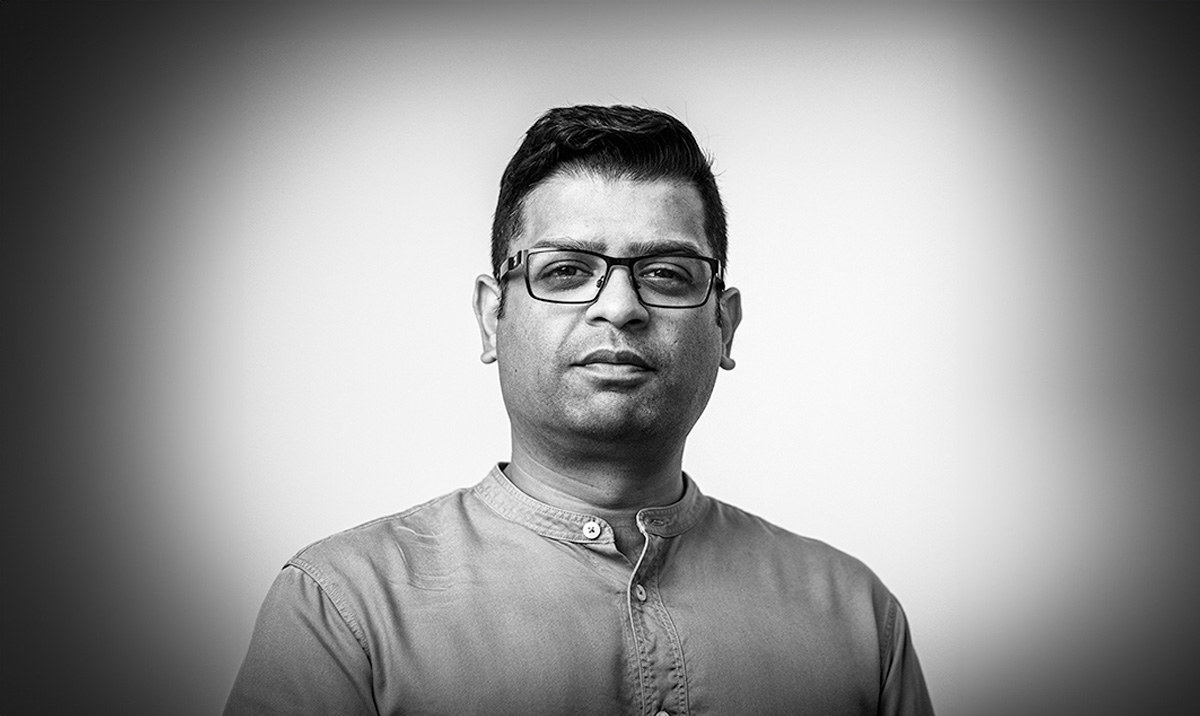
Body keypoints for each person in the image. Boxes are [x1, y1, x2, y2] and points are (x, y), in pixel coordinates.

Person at [225, 104, 935, 716]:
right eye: (567, 271)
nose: (620, 307)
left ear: (724, 325)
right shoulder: (343, 606)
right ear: (491, 318)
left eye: (666, 273)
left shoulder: (855, 617)